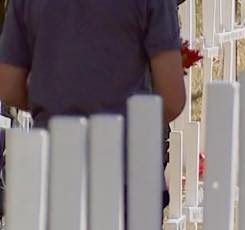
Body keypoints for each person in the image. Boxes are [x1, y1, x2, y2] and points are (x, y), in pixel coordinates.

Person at [0, 0, 186, 209]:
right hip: (127, 169)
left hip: (56, 165)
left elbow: (9, 86)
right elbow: (172, 99)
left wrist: (55, 101)